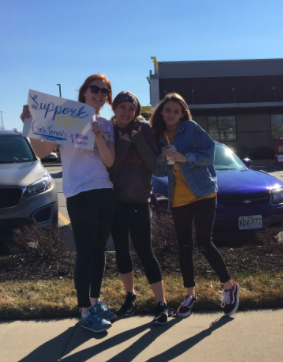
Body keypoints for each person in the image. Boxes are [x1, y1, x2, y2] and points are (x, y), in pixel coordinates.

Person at [20, 74, 117, 333]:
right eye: (95, 89)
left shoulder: (107, 125)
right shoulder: (67, 120)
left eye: (105, 91)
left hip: (105, 191)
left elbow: (109, 161)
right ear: (84, 92)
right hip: (79, 192)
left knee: (100, 251)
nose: (100, 93)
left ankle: (95, 302)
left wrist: (98, 137)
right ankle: (85, 310)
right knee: (85, 252)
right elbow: (42, 152)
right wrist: (29, 124)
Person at [150, 92, 239, 318]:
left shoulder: (191, 128)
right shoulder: (158, 136)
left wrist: (185, 157)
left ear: (182, 114)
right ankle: (189, 294)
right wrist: (162, 158)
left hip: (203, 193)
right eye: (168, 110)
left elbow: (210, 154)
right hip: (178, 198)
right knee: (184, 247)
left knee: (204, 243)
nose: (171, 114)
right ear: (161, 112)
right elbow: (159, 170)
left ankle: (229, 287)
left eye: (176, 111)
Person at [108, 91, 168, 324]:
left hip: (139, 201)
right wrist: (124, 144)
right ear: (114, 109)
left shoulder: (143, 130)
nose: (126, 112)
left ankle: (161, 303)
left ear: (136, 111)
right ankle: (130, 296)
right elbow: (110, 166)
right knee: (121, 251)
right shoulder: (109, 131)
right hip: (116, 202)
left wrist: (137, 139)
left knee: (145, 251)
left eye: (131, 109)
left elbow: (153, 164)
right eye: (122, 107)